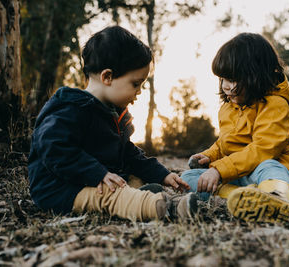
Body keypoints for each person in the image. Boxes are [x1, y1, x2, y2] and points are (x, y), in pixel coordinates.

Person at [28, 26, 198, 222]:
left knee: (131, 179)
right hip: (62, 189)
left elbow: (128, 154)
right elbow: (53, 147)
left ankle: (138, 193)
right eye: (135, 84)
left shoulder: (114, 113)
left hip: (96, 180)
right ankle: (168, 208)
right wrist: (97, 173)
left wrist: (162, 175)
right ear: (107, 77)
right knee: (111, 194)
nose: (139, 91)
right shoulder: (70, 108)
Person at [181, 33, 289, 223]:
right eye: (222, 79)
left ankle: (279, 198)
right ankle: (239, 196)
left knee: (269, 166)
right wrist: (210, 156)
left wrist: (219, 170)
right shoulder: (228, 108)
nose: (226, 86)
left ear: (256, 75)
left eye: (233, 80)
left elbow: (263, 149)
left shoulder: (275, 104)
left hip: (270, 168)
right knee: (190, 177)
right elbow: (225, 143)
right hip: (240, 174)